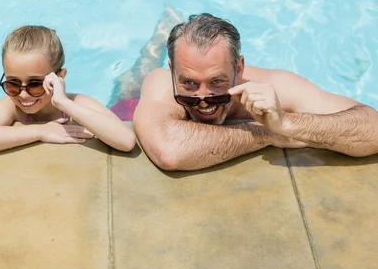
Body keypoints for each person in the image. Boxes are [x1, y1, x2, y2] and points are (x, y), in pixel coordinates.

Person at [133, 13, 378, 171]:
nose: (202, 99)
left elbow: (372, 129)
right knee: (129, 84)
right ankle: (155, 43)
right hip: (135, 100)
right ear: (173, 71)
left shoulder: (277, 85)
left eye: (218, 82)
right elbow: (171, 152)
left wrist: (286, 122)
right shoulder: (161, 83)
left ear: (239, 69)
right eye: (189, 83)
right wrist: (269, 133)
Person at [0, 25, 136, 154]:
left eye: (35, 84)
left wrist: (64, 103)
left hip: (122, 102)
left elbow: (126, 140)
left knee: (132, 84)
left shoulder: (77, 103)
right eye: (13, 84)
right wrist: (41, 131)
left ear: (60, 77)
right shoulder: (11, 106)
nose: (23, 94)